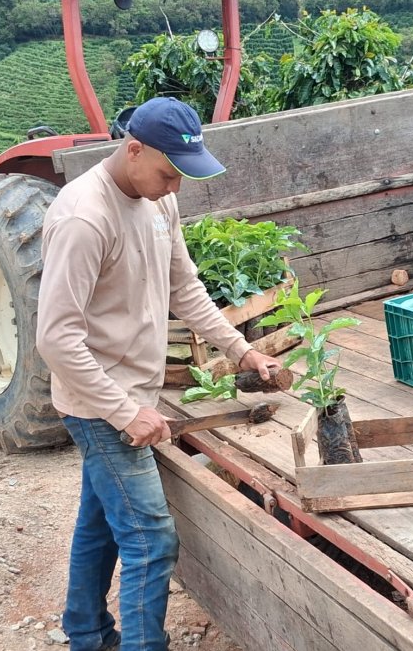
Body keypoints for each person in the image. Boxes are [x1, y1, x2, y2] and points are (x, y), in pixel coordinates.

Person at [36, 97, 280, 651]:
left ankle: (86, 634)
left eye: (182, 177)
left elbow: (184, 288)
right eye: (169, 173)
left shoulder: (158, 203)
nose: (174, 187)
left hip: (131, 396)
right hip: (100, 406)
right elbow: (55, 338)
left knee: (99, 525)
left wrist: (243, 352)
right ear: (133, 148)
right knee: (150, 538)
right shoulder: (84, 217)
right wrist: (125, 411)